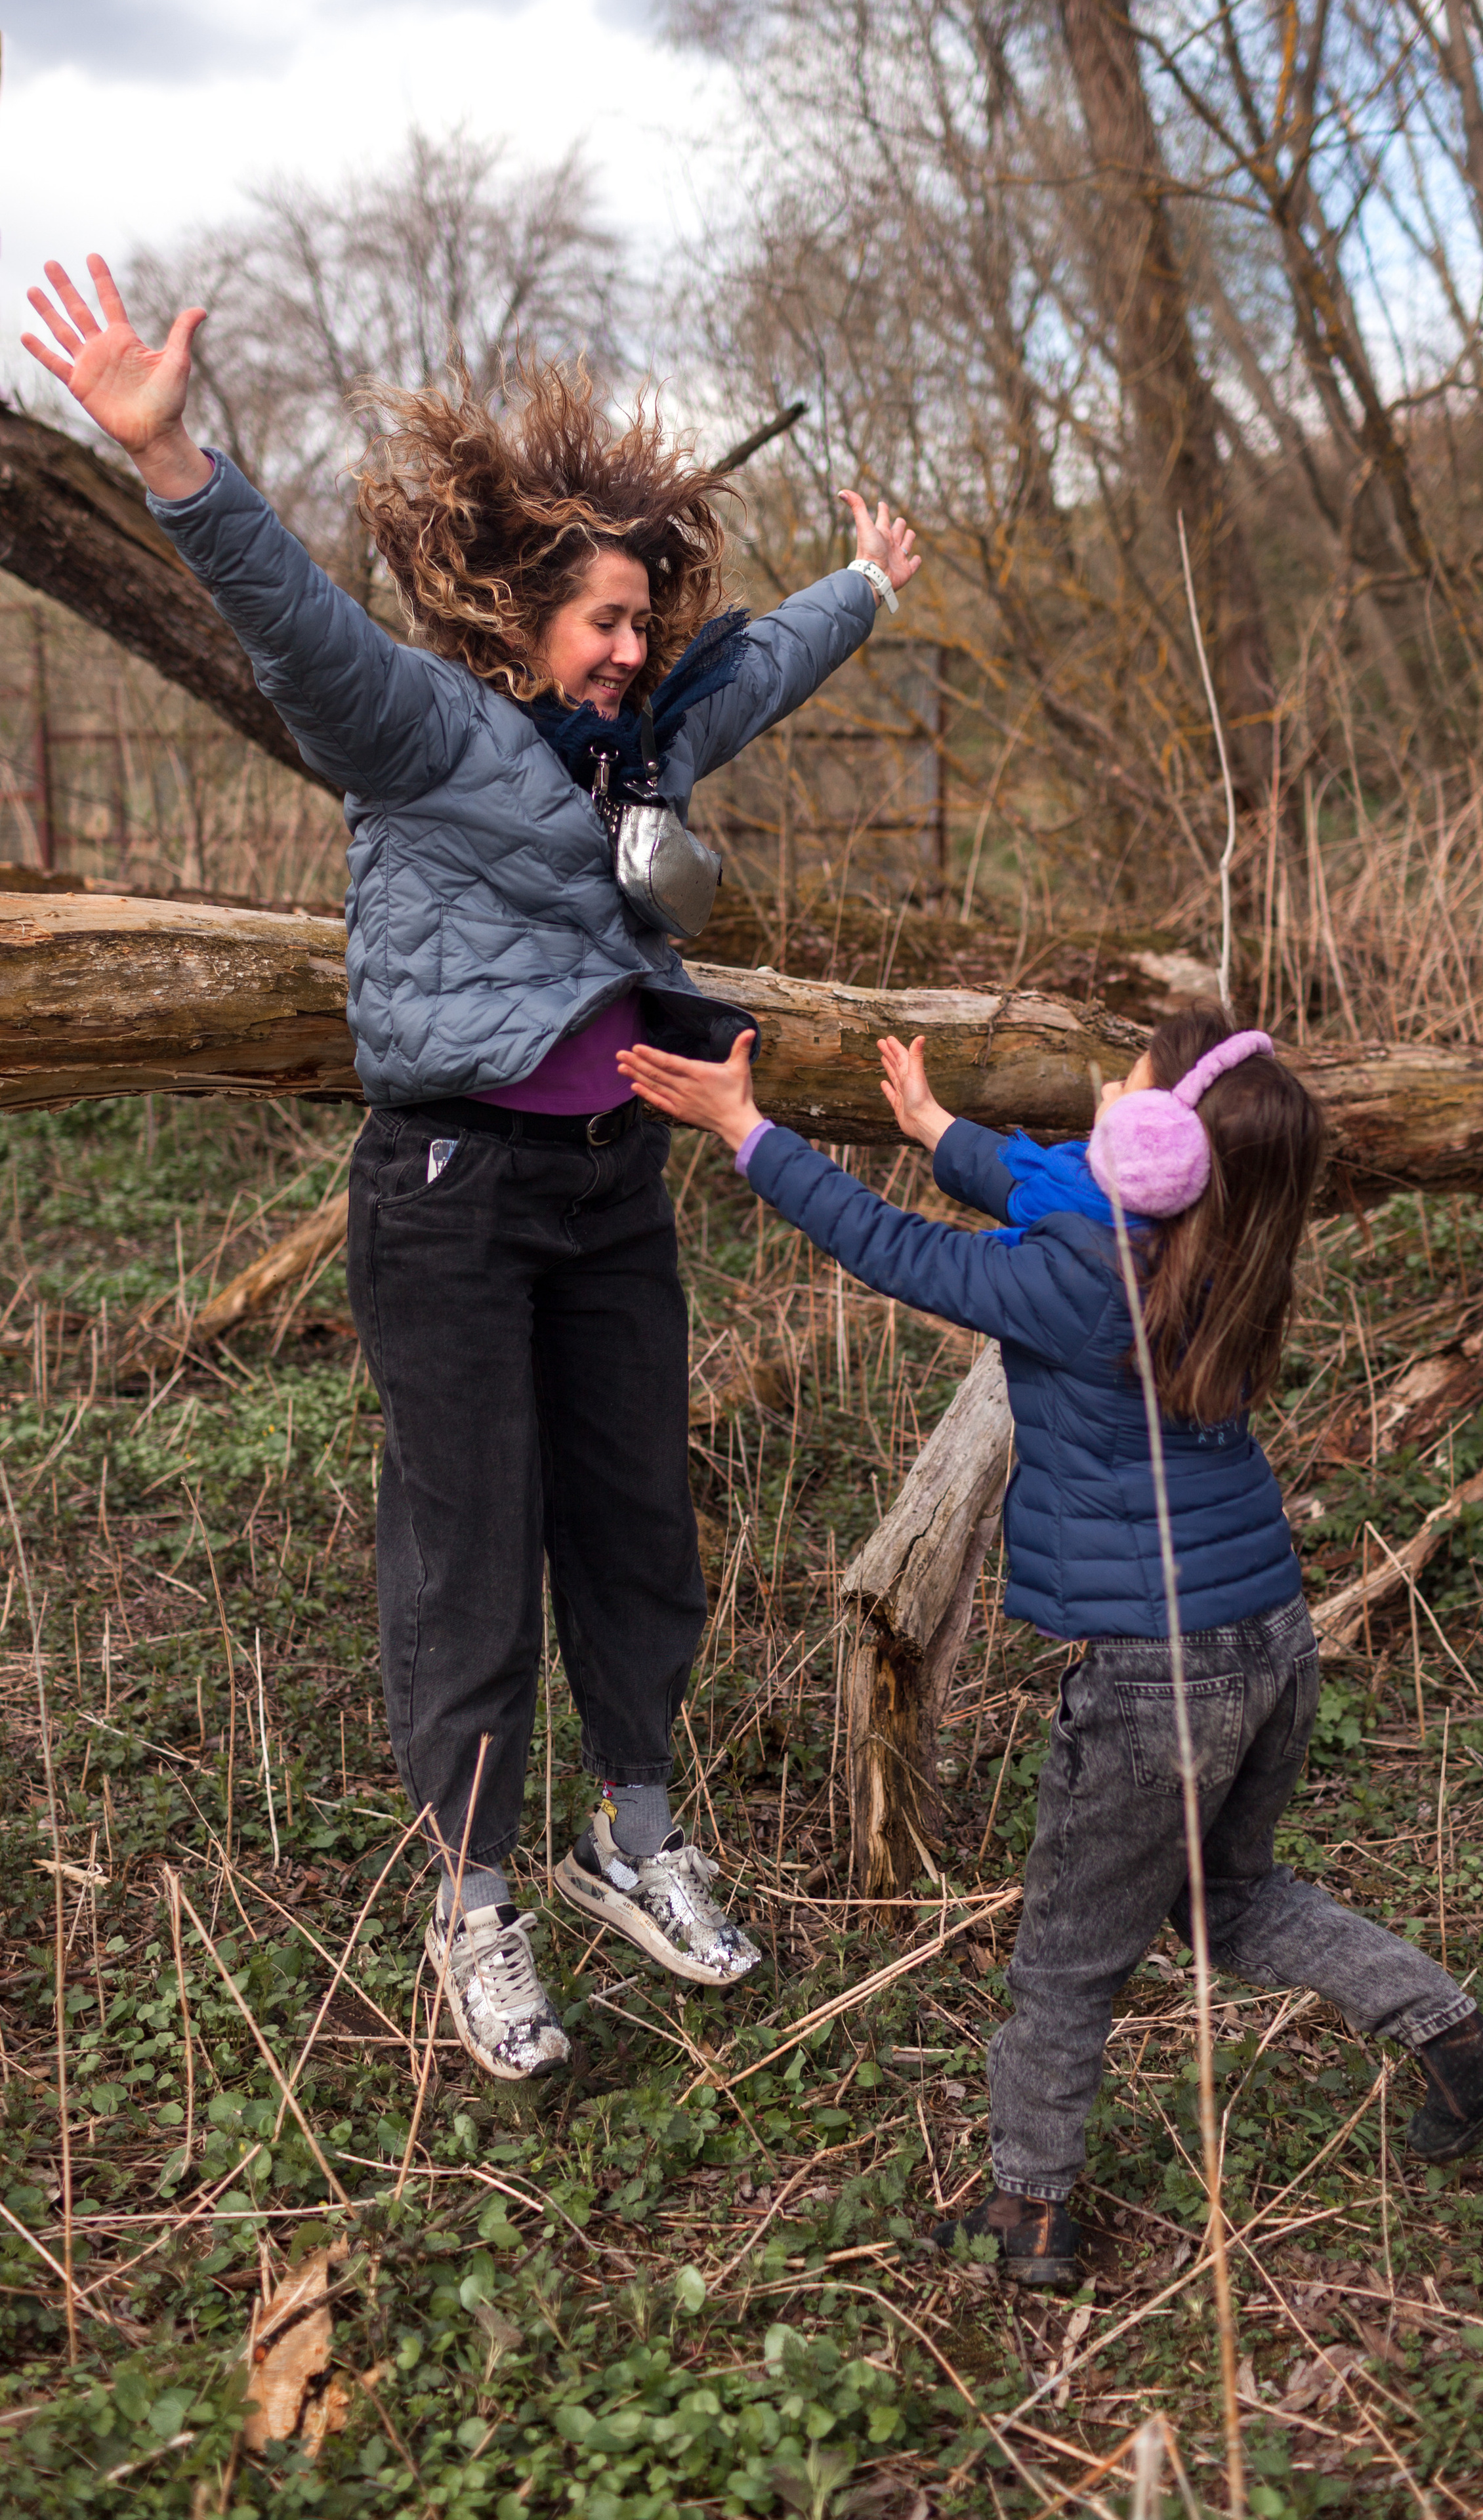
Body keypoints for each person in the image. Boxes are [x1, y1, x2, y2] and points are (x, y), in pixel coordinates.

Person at [23, 255, 920, 2084]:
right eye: (599, 621)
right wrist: (177, 459)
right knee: (469, 1546)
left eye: (640, 622)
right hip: (451, 1196)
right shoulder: (423, 731)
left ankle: (637, 1835)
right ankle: (476, 1893)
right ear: (518, 621)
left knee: (636, 1521)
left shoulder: (645, 739)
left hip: (609, 1184)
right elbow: (295, 627)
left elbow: (756, 666)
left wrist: (869, 588)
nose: (628, 648)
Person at [615, 1008, 1483, 2286]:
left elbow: (891, 1251)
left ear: (1160, 1138)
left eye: (1125, 1087)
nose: (1105, 1098)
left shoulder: (1080, 1281)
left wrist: (745, 1132)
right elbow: (1049, 1178)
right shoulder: (1224, 1231)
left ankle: (1029, 2213)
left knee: (1062, 1957)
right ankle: (1468, 2050)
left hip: (1153, 1675)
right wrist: (938, 1129)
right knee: (1232, 1896)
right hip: (1266, 1637)